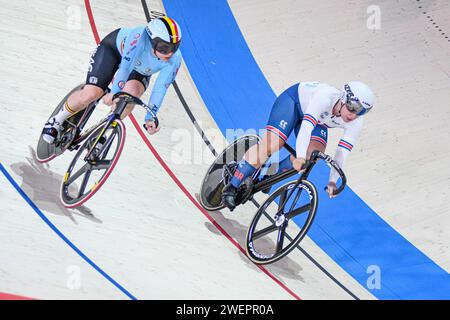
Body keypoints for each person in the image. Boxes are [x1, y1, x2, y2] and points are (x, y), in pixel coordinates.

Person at [222, 81, 375, 211]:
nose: (353, 115)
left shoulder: (356, 121)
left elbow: (342, 152)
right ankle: (232, 186)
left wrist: (332, 180)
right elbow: (306, 128)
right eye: (353, 108)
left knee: (312, 156)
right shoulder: (325, 97)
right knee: (273, 143)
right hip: (293, 103)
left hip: (317, 122)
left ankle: (268, 176)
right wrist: (299, 156)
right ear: (343, 98)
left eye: (361, 112)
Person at [42, 16, 182, 143]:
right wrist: (114, 92)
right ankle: (56, 120)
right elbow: (125, 68)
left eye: (174, 47)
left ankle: (103, 133)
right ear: (152, 41)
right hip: (114, 51)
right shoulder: (139, 36)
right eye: (164, 48)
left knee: (131, 95)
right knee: (91, 93)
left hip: (139, 70)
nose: (170, 53)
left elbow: (160, 89)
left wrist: (150, 117)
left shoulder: (174, 60)